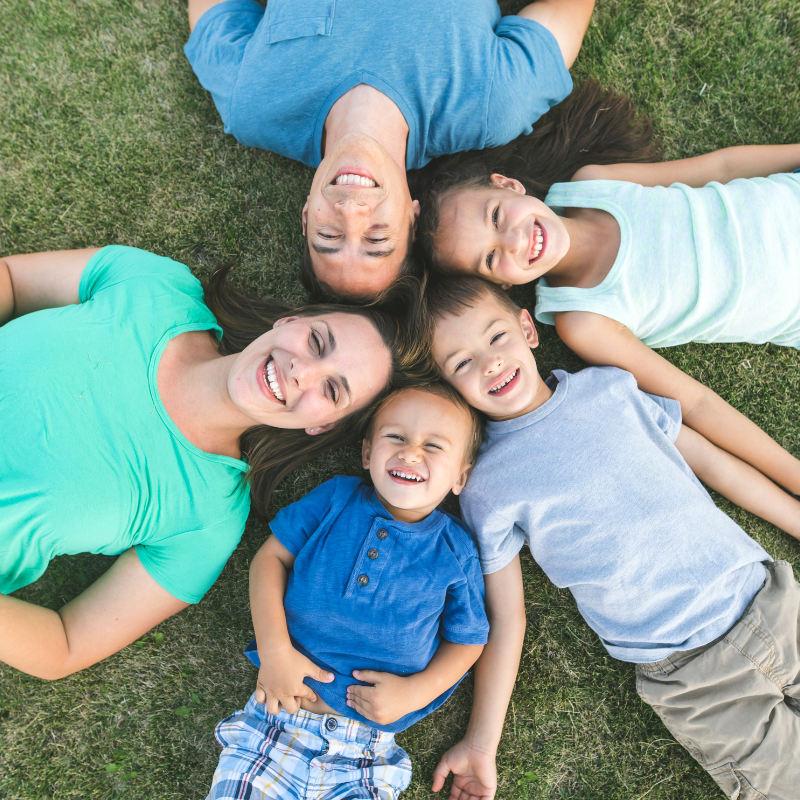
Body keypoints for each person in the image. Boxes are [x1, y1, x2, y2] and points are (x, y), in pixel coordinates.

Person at [425, 276, 800, 800]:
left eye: (496, 337)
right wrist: (482, 743)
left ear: (528, 329)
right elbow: (508, 616)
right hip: (692, 675)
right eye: (461, 363)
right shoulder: (485, 487)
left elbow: (717, 466)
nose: (488, 362)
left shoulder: (611, 387)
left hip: (769, 601)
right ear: (449, 386)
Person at [0, 244, 418, 681]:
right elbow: (10, 278)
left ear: (324, 426)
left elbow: (67, 644)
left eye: (332, 391)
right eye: (316, 342)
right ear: (289, 321)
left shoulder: (208, 521)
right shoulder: (159, 286)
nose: (302, 371)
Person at [415, 81, 800, 501]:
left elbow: (722, 168)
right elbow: (698, 403)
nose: (514, 241)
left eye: (495, 216)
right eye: (491, 258)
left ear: (508, 185)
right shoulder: (583, 319)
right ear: (500, 285)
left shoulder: (593, 184)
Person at [184, 0, 595, 301]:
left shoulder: (253, 103)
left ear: (307, 216)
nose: (352, 209)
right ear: (413, 216)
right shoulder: (490, 103)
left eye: (329, 234)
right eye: (377, 236)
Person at [205, 383, 489, 799]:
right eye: (396, 437)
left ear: (460, 478)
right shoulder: (335, 499)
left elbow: (468, 640)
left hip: (367, 756)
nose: (411, 453)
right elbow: (269, 561)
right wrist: (275, 651)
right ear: (367, 453)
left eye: (433, 446)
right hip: (275, 722)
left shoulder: (454, 550)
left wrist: (416, 692)